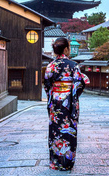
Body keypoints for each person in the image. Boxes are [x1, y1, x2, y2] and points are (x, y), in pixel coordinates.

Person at [43, 37, 90, 171]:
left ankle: (55, 162)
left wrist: (52, 98)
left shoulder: (50, 66)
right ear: (65, 49)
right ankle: (67, 163)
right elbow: (79, 84)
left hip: (55, 102)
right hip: (68, 101)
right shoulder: (73, 64)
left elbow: (47, 86)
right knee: (69, 132)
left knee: (55, 131)